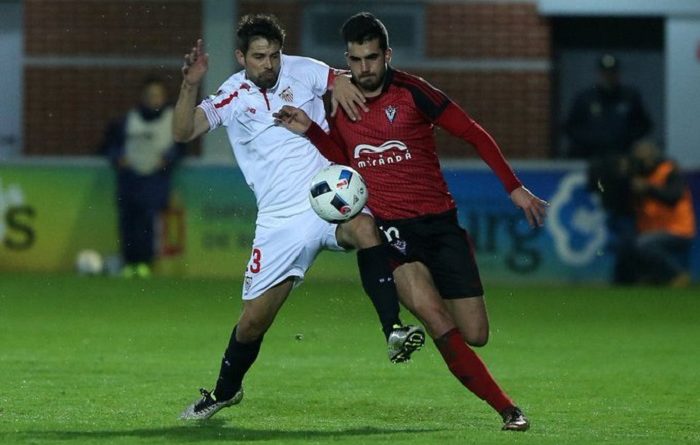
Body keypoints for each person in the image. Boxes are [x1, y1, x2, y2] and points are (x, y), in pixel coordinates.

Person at [274, 12, 548, 431]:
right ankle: (509, 410)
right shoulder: (341, 103)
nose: (363, 68)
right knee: (435, 317)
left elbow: (473, 132)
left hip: (440, 224)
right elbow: (345, 161)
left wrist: (514, 187)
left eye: (371, 58)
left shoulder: (414, 93)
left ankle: (440, 328)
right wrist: (311, 130)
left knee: (474, 334)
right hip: (393, 231)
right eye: (355, 59)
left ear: (387, 55)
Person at [172, 14, 425, 421]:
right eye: (258, 57)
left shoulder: (303, 70)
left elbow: (344, 78)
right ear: (241, 57)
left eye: (274, 55)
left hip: (327, 198)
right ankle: (224, 392)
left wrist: (342, 82)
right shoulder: (230, 95)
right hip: (278, 221)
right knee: (253, 322)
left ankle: (392, 330)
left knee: (364, 227)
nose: (269, 64)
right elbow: (183, 132)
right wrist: (188, 85)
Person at [565, 54, 653, 283]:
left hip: (622, 167)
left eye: (612, 72)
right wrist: (592, 143)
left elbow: (644, 125)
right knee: (604, 217)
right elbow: (570, 128)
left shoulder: (629, 97)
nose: (609, 76)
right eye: (605, 72)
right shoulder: (586, 99)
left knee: (623, 218)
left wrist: (625, 145)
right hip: (596, 165)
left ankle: (626, 273)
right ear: (599, 73)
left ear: (618, 73)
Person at [102, 76, 185, 278]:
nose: (153, 99)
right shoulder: (127, 120)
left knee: (149, 223)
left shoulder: (172, 120)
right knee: (128, 223)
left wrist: (168, 159)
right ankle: (129, 262)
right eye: (150, 95)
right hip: (130, 179)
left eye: (157, 95)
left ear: (164, 97)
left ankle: (146, 263)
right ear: (142, 97)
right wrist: (117, 158)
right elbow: (109, 146)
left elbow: (181, 146)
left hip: (155, 180)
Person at [617, 140, 696, 286]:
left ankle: (677, 275)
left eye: (644, 159)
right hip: (650, 230)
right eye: (637, 160)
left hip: (678, 230)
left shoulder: (668, 171)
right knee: (627, 244)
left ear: (653, 158)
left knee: (643, 244)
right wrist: (623, 178)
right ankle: (649, 278)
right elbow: (620, 203)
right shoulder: (633, 176)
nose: (641, 163)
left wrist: (648, 188)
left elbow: (672, 197)